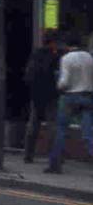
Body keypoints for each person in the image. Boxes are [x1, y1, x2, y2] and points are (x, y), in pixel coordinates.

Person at [45, 31, 93, 174]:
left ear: (67, 45)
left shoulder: (66, 58)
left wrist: (58, 83)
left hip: (70, 97)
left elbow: (64, 82)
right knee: (88, 133)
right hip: (87, 96)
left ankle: (55, 165)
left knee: (61, 130)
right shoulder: (90, 57)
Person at [23, 30, 61, 163]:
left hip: (36, 94)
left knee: (33, 124)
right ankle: (54, 157)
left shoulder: (36, 54)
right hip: (51, 94)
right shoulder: (55, 56)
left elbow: (28, 75)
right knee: (52, 125)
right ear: (53, 42)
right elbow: (57, 75)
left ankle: (28, 155)